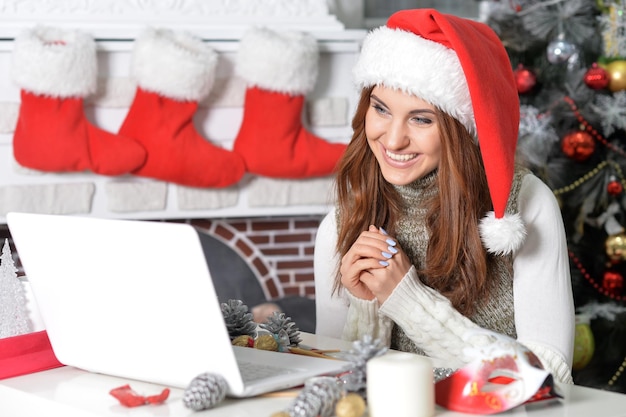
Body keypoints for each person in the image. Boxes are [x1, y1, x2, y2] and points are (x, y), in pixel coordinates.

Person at [314, 8, 575, 384]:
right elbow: (339, 381)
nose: (393, 139)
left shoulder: (522, 207)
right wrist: (368, 309)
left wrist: (408, 300)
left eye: (421, 119)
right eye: (381, 109)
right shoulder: (344, 220)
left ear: (459, 128)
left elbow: (550, 376)